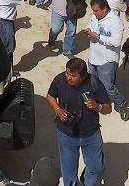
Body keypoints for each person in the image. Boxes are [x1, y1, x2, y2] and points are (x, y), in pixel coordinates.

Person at [46, 58, 111, 186]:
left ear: (83, 76)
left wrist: (98, 107)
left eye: (73, 76)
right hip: (66, 134)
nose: (68, 78)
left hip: (91, 135)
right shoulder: (60, 80)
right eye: (67, 73)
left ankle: (86, 182)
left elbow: (108, 109)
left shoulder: (94, 83)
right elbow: (50, 96)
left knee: (97, 168)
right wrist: (58, 110)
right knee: (68, 171)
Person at [84, 0, 129, 120]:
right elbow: (90, 24)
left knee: (107, 86)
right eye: (93, 11)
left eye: (96, 11)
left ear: (104, 9)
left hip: (107, 60)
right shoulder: (95, 17)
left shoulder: (115, 22)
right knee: (93, 83)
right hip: (93, 57)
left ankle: (121, 104)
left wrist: (98, 37)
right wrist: (88, 29)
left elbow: (116, 42)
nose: (94, 14)